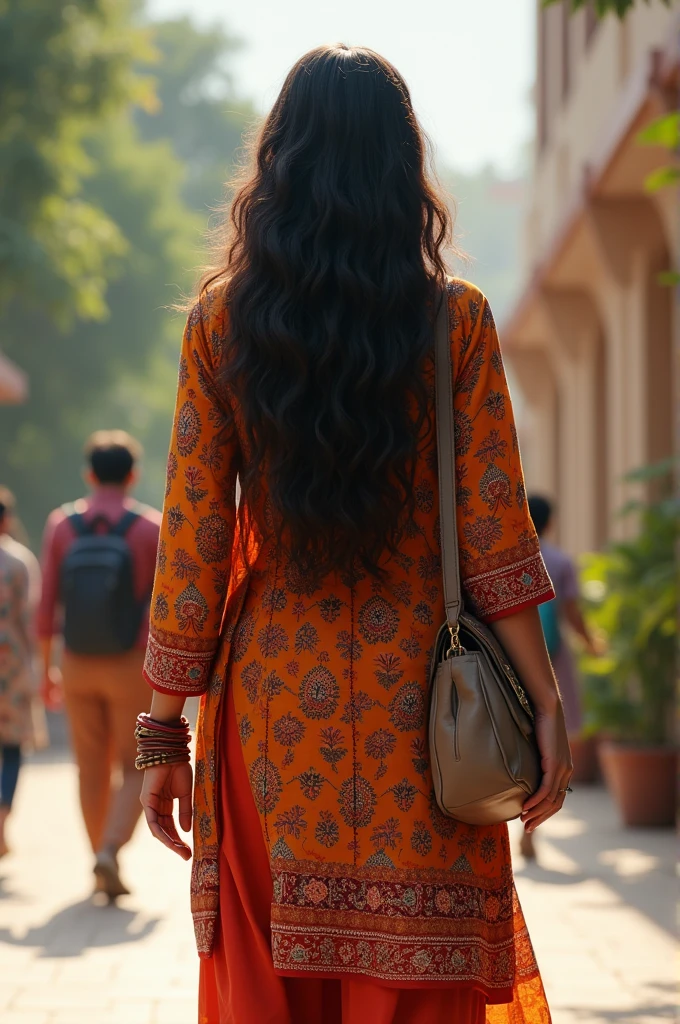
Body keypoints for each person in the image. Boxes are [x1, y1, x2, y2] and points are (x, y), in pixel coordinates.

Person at [139, 46, 571, 1024]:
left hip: (268, 718)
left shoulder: (220, 326)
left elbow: (195, 545)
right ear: (400, 167)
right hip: (425, 714)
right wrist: (543, 704)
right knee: (414, 983)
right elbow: (497, 536)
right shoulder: (452, 322)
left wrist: (160, 728)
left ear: (274, 166)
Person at [37, 431, 161, 897]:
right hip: (130, 660)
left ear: (89, 474)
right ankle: (110, 850)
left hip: (76, 661)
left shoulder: (62, 525)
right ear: (133, 475)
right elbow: (158, 608)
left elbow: (46, 606)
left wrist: (48, 669)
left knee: (90, 767)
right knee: (135, 765)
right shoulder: (150, 528)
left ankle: (97, 860)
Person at [520, 495, 598, 861]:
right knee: (549, 748)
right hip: (553, 663)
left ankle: (517, 829)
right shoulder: (560, 560)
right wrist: (593, 644)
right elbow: (571, 612)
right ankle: (531, 831)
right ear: (549, 523)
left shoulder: (510, 559)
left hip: (512, 663)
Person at [0, 488, 42, 856]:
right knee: (11, 746)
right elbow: (31, 619)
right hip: (10, 664)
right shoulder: (17, 560)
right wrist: (39, 666)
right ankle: (1, 815)